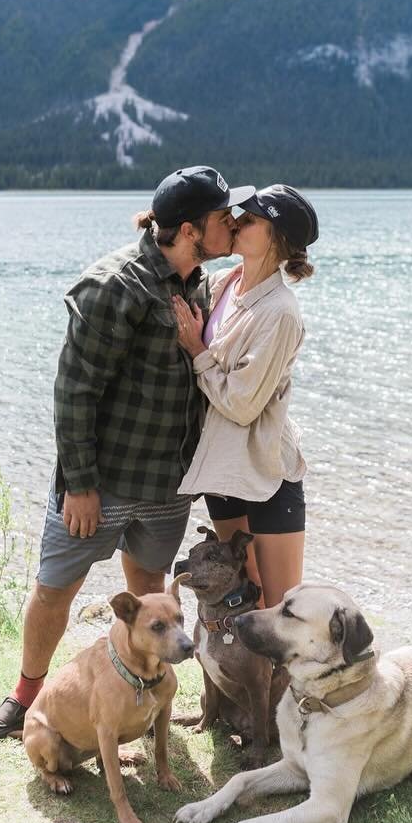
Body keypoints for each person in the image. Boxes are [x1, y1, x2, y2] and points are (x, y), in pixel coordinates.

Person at [0, 164, 253, 745]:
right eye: (223, 216)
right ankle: (26, 697)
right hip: (100, 485)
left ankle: (140, 697)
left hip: (167, 487)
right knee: (55, 588)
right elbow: (75, 390)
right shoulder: (114, 285)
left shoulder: (196, 281)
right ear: (188, 228)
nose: (234, 223)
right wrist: (79, 483)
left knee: (147, 587)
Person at [173, 184, 319, 608]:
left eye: (250, 219)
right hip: (225, 471)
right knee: (240, 598)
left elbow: (242, 404)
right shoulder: (223, 283)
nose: (235, 221)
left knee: (281, 610)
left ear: (277, 239)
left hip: (268, 472)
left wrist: (198, 353)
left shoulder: (281, 312)